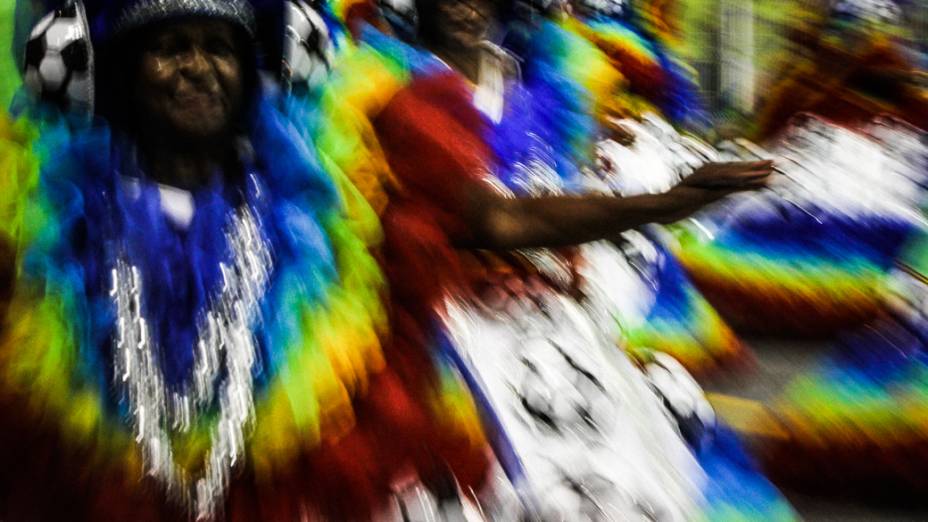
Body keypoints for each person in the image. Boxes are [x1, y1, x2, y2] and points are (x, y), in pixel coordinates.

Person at [0, 0, 492, 520]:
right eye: (169, 49)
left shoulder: (327, 222)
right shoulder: (48, 222)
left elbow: (487, 224)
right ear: (122, 71)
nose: (197, 67)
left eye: (219, 48)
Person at [311, 0, 791, 518]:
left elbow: (550, 188)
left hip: (551, 317)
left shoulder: (531, 83)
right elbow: (499, 221)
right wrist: (665, 203)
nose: (466, 7)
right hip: (443, 332)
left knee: (631, 460)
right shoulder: (384, 88)